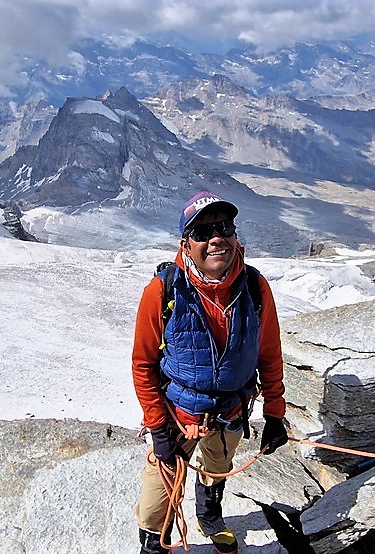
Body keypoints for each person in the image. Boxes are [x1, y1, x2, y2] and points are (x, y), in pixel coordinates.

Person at [132, 191, 289, 554]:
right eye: (202, 232)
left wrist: (275, 414)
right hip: (178, 415)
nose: (216, 238)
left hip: (231, 410)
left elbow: (268, 353)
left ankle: (209, 513)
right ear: (186, 243)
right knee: (157, 501)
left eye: (223, 227)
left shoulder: (254, 287)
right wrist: (157, 427)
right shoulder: (162, 291)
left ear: (234, 235)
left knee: (217, 467)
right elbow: (143, 364)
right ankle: (155, 542)